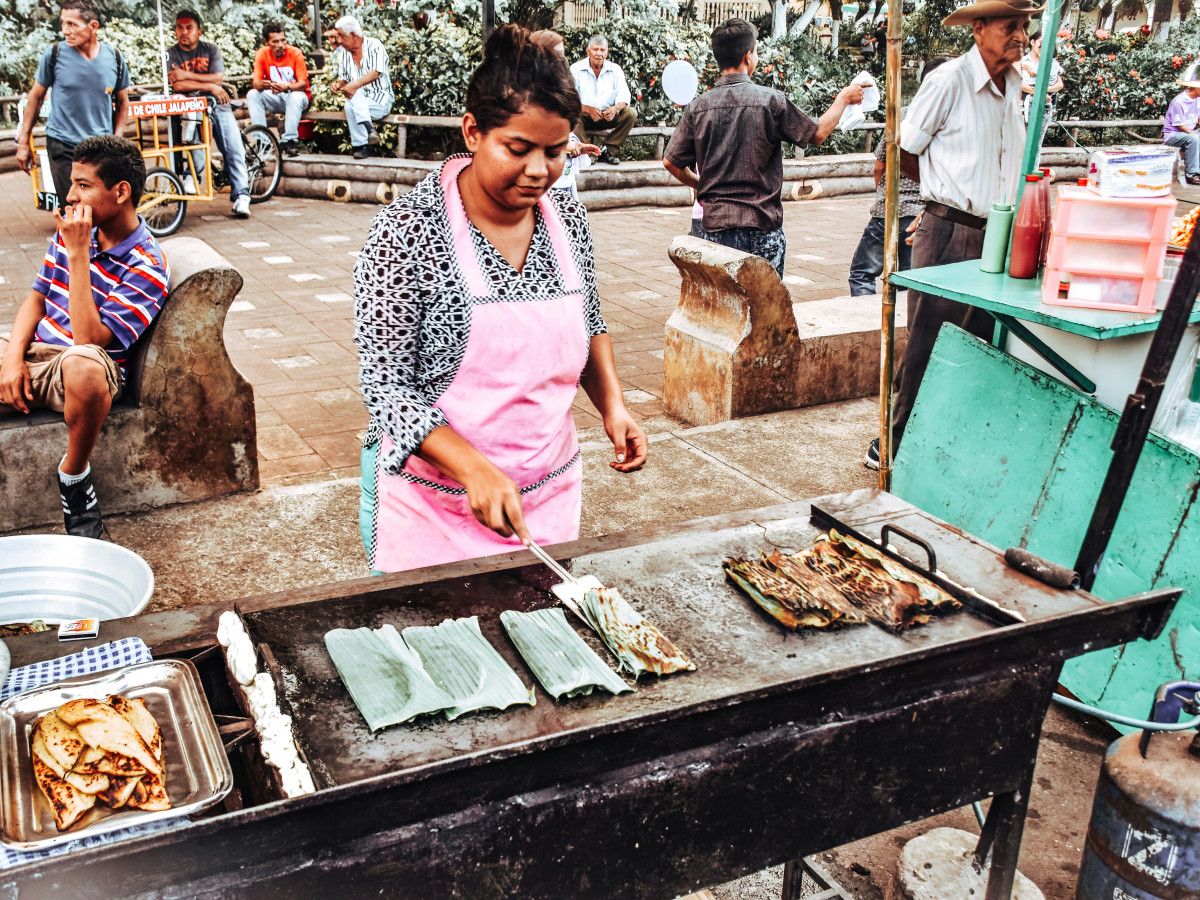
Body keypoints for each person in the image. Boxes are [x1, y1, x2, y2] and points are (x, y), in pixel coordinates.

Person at [354, 25, 648, 574]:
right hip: (433, 507)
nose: (539, 171)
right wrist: (472, 468)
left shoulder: (567, 218)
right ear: (472, 132)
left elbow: (589, 319)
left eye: (555, 152)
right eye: (518, 149)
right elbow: (386, 387)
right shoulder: (407, 230)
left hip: (547, 493)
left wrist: (613, 406)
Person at [864, 0, 1037, 470]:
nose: (1021, 36)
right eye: (1011, 26)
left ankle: (947, 441)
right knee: (930, 341)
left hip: (997, 231)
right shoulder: (950, 80)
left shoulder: (1014, 83)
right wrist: (943, 196)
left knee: (979, 343)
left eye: (1025, 26)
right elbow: (903, 150)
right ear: (978, 29)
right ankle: (895, 444)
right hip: (952, 228)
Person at [0, 135, 169, 539]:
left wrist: (78, 254)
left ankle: (74, 479)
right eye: (72, 183)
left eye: (83, 185)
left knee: (83, 365)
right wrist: (12, 360)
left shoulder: (146, 264)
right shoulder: (75, 230)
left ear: (121, 192)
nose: (70, 195)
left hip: (84, 370)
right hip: (35, 355)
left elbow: (88, 340)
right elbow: (37, 297)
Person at [662, 18, 864, 278]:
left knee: (722, 302)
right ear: (748, 56)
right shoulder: (770, 101)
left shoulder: (698, 107)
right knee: (766, 303)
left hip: (715, 230)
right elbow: (818, 134)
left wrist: (700, 185)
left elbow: (670, 162)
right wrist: (844, 98)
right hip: (762, 228)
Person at [847, 57, 952, 297]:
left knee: (862, 273)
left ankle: (866, 315)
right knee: (908, 279)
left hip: (890, 210)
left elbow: (880, 166)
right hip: (927, 214)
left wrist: (883, 196)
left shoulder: (902, 115)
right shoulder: (954, 123)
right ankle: (903, 319)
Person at [14, 0, 130, 210]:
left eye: (72, 24)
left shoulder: (114, 58)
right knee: (73, 207)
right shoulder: (54, 55)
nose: (65, 30)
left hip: (100, 148)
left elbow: (123, 103)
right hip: (63, 145)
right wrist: (23, 143)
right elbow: (35, 98)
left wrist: (117, 139)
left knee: (102, 208)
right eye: (63, 23)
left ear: (93, 26)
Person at [167, 9, 251, 218]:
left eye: (189, 28)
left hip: (218, 104)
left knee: (233, 147)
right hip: (191, 106)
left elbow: (217, 79)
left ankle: (242, 196)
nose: (184, 32)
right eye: (179, 27)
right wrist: (210, 86)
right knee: (193, 143)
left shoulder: (211, 50)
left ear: (199, 32)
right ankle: (190, 176)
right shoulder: (170, 53)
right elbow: (177, 84)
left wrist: (187, 75)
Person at [531, 29, 601, 197]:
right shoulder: (528, 93)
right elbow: (529, 137)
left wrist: (576, 146)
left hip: (563, 179)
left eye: (563, 54)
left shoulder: (557, 89)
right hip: (539, 184)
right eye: (557, 54)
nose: (562, 60)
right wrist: (561, 146)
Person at [331, 15, 394, 160]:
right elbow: (344, 79)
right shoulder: (343, 55)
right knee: (349, 104)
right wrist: (337, 85)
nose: (338, 40)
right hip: (360, 104)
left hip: (380, 100)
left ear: (353, 35)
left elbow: (376, 73)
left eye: (341, 35)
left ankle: (362, 144)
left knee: (353, 98)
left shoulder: (375, 45)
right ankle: (369, 134)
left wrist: (353, 85)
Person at [246, 22, 311, 157]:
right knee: (252, 94)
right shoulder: (262, 54)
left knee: (294, 96)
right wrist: (264, 85)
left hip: (299, 97)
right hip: (277, 96)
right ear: (266, 42)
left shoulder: (295, 53)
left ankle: (289, 141)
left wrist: (287, 87)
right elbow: (256, 83)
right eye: (275, 41)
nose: (281, 45)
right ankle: (262, 141)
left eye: (283, 40)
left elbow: (302, 84)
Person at [570, 35, 635, 165]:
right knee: (571, 116)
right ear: (588, 50)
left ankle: (608, 151)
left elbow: (624, 95)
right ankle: (588, 153)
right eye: (595, 49)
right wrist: (587, 109)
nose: (599, 53)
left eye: (602, 50)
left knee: (630, 113)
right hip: (584, 116)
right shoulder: (576, 69)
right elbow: (570, 99)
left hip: (608, 116)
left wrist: (616, 108)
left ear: (607, 52)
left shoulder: (615, 70)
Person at [1018, 31, 1063, 146]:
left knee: (1035, 144)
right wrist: (1040, 93)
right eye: (1041, 43)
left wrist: (1042, 92)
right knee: (1020, 143)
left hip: (1044, 105)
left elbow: (1059, 85)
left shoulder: (1050, 62)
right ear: (1032, 42)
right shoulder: (1021, 61)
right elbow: (1018, 83)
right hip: (1024, 105)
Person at [1164, 63, 1200, 186]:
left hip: (1188, 134)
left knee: (1195, 137)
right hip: (1173, 135)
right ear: (1196, 88)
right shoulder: (1178, 102)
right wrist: (1195, 134)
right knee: (1194, 138)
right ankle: (1192, 174)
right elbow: (1181, 126)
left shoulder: (1198, 100)